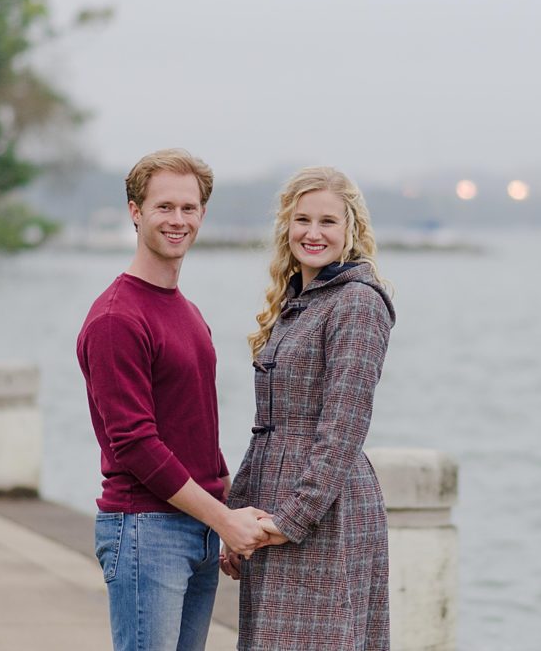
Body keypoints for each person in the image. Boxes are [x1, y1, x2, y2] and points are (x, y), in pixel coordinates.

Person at [77, 148, 270, 651]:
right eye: (164, 207)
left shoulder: (187, 312)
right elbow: (136, 445)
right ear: (135, 211)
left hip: (198, 530)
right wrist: (222, 518)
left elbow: (199, 430)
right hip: (145, 530)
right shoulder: (118, 318)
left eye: (189, 208)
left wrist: (223, 516)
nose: (178, 220)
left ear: (203, 214)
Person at [221, 166, 395, 650]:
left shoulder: (358, 303)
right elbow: (268, 429)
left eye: (328, 222)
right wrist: (237, 515)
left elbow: (343, 427)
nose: (312, 233)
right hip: (274, 501)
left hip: (324, 511)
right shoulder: (298, 301)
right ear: (287, 226)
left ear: (351, 230)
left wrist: (292, 519)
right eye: (302, 220)